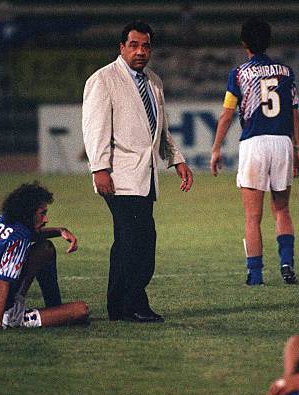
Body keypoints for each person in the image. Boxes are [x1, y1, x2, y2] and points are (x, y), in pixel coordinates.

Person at [82, 21, 193, 323]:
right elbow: (95, 129)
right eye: (134, 45)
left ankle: (124, 305)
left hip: (145, 177)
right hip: (119, 177)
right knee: (135, 241)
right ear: (121, 48)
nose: (140, 51)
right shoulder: (103, 80)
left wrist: (176, 159)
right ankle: (130, 304)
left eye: (145, 46)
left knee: (139, 241)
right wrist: (100, 169)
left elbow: (161, 130)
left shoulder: (153, 81)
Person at [210, 18, 299, 286]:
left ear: (244, 43)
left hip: (254, 144)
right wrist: (297, 149)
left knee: (253, 217)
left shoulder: (239, 73)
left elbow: (227, 115)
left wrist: (216, 148)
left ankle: (255, 275)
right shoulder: (286, 72)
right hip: (282, 142)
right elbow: (294, 113)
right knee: (282, 210)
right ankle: (287, 266)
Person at [0, 182, 89, 329]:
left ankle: (53, 306)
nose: (46, 219)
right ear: (28, 213)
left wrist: (60, 231)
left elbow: (31, 235)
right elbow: (2, 284)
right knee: (81, 310)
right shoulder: (19, 237)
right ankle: (32, 314)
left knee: (45, 248)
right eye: (42, 213)